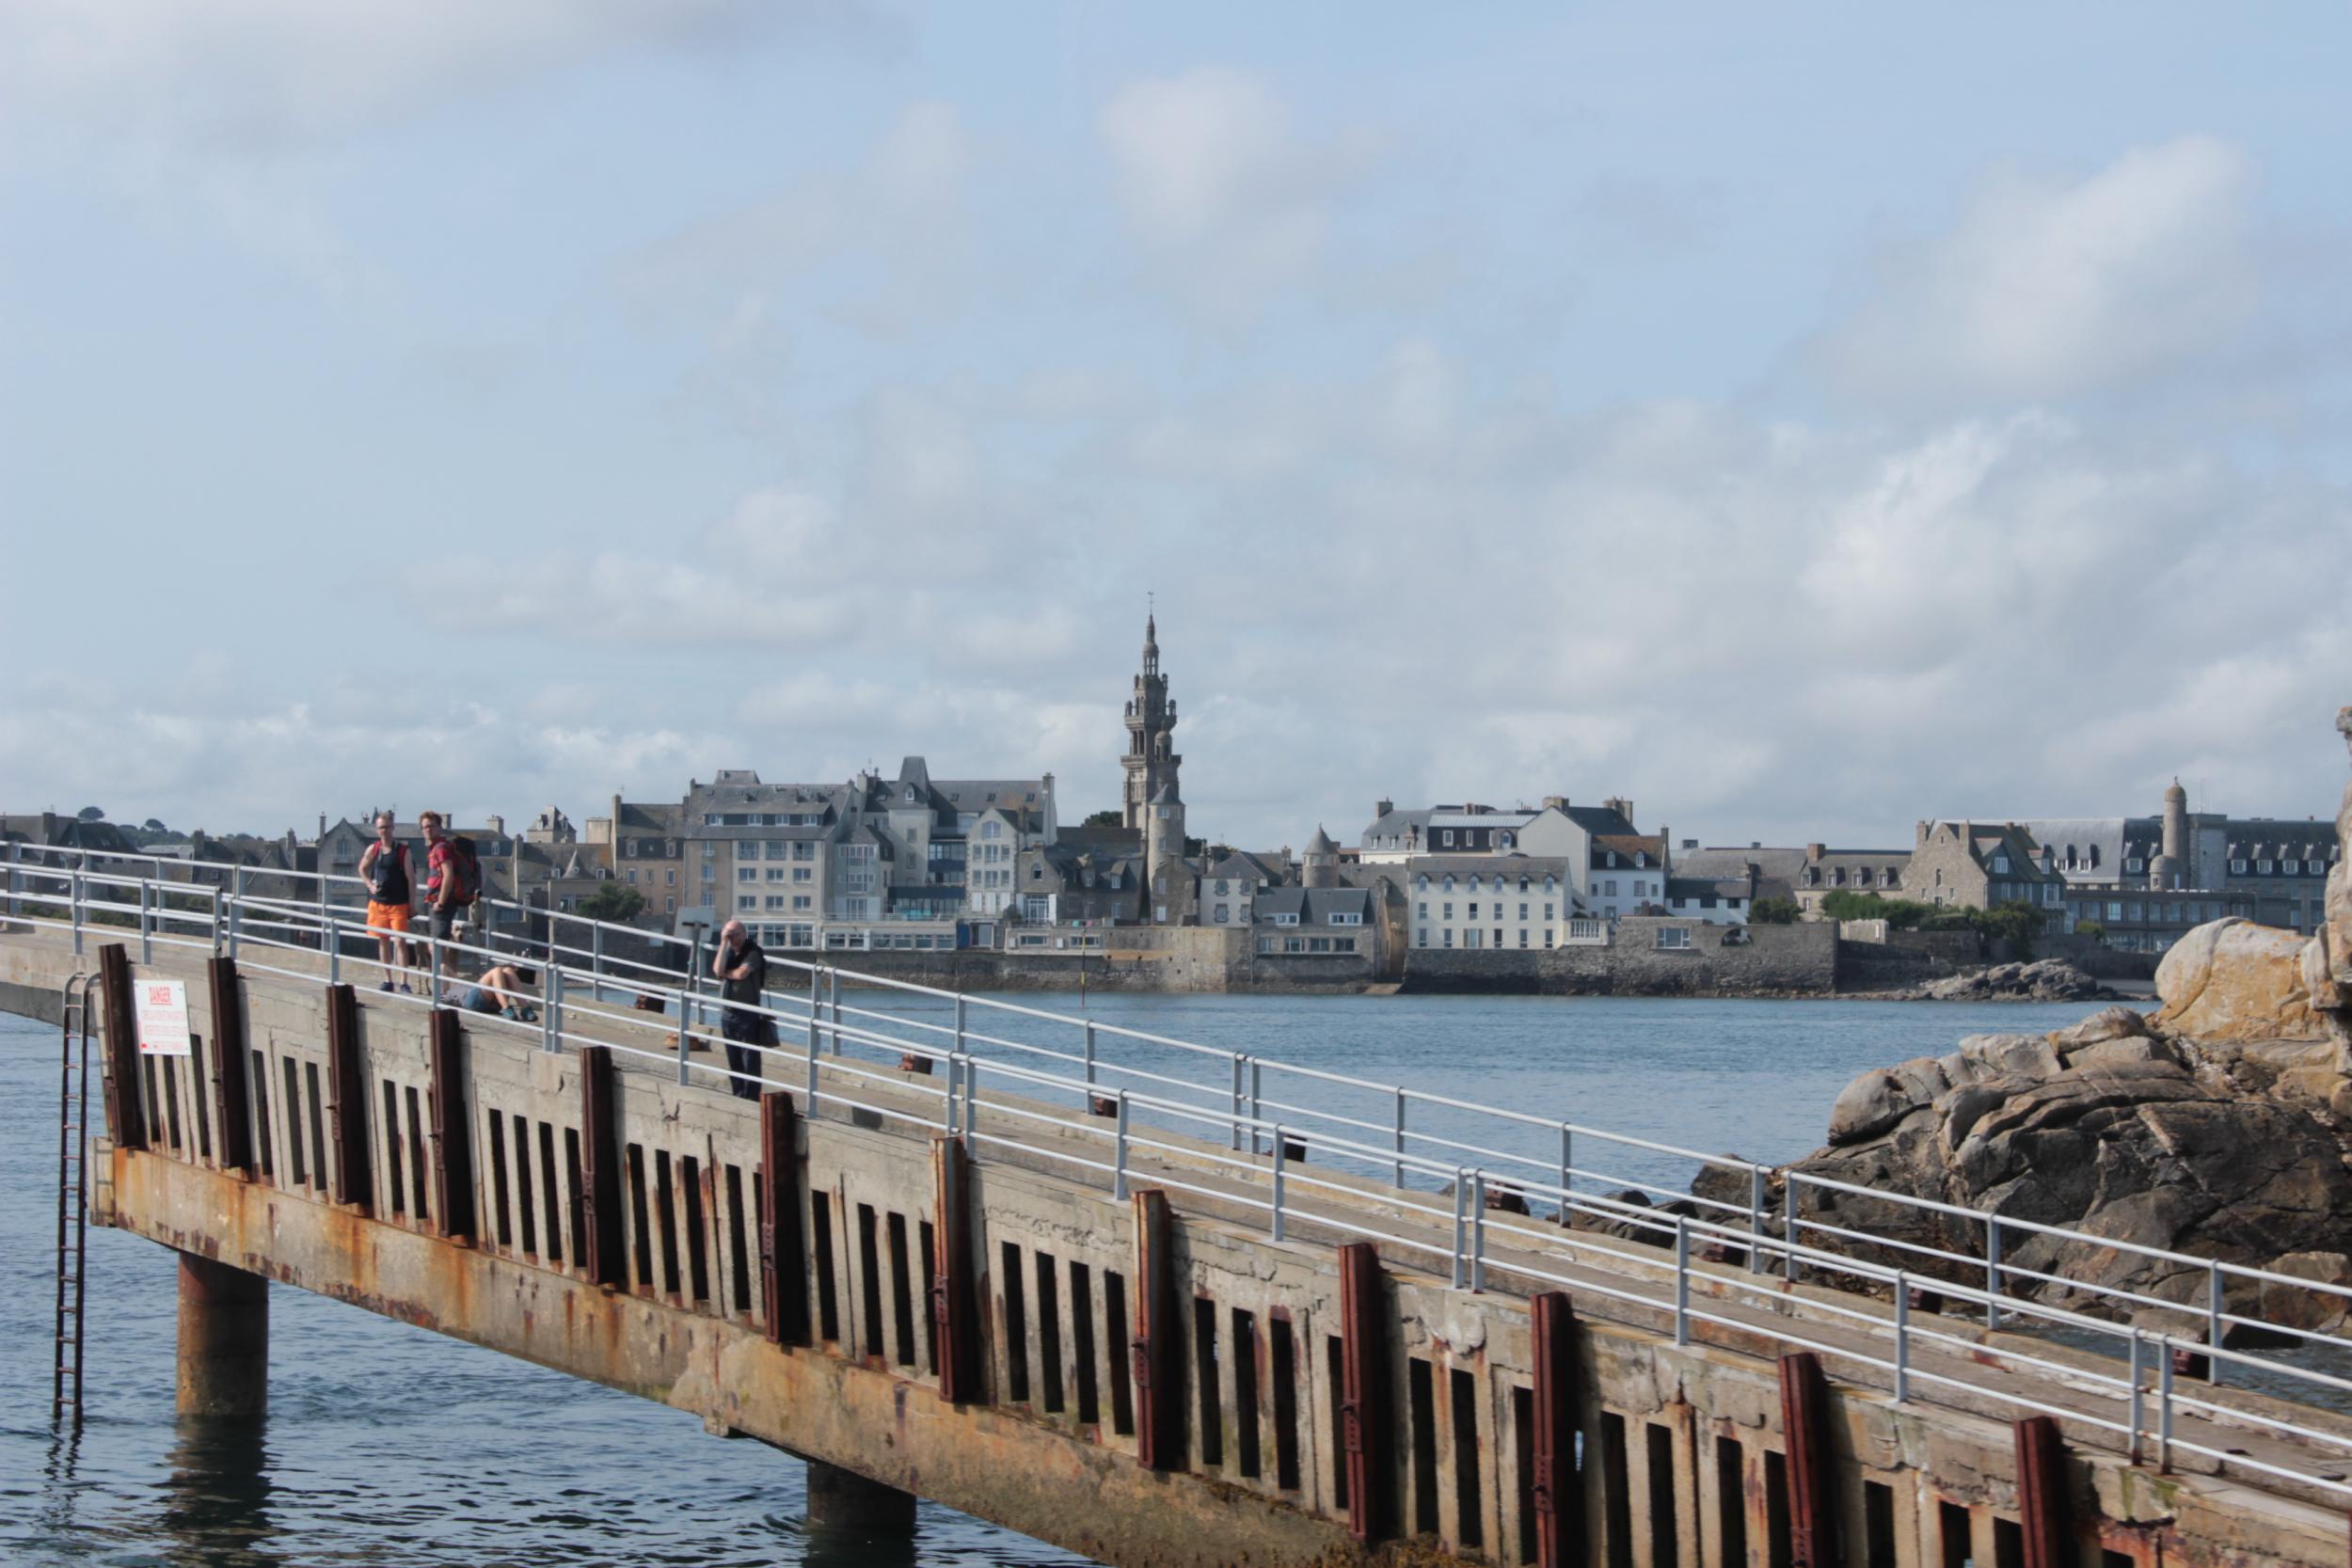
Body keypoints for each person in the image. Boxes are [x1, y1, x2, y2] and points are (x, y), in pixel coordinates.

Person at [712, 919, 771, 1101]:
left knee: (749, 1058)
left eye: (736, 934)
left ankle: (751, 1096)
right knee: (733, 1057)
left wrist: (725, 974)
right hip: (728, 1012)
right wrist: (723, 943)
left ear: (744, 934)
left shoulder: (753, 952)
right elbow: (716, 970)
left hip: (747, 1012)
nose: (733, 939)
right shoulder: (729, 952)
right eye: (729, 935)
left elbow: (740, 974)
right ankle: (738, 1093)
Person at [357, 812, 415, 993]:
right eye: (381, 827)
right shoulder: (373, 849)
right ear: (377, 829)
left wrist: (411, 905)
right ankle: (388, 980)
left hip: (398, 903)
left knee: (400, 942)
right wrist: (369, 885)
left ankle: (404, 981)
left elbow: (411, 879)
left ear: (393, 828)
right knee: (383, 941)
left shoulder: (403, 851)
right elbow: (362, 868)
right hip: (378, 903)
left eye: (387, 827)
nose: (385, 831)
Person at [419, 810, 471, 955]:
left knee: (437, 944)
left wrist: (440, 902)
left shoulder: (441, 848)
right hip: (437, 899)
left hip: (442, 902)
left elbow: (448, 875)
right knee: (437, 943)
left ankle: (441, 976)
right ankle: (442, 975)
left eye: (432, 826)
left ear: (439, 827)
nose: (428, 830)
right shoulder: (436, 847)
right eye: (425, 827)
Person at [443, 962, 537, 1021]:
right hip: (470, 1000)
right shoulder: (446, 994)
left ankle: (525, 1008)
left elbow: (448, 971)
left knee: (508, 970)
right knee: (496, 970)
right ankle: (506, 1007)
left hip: (491, 1001)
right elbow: (442, 967)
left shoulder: (459, 982)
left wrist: (455, 977)